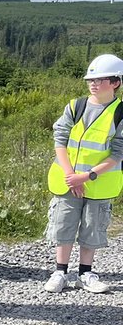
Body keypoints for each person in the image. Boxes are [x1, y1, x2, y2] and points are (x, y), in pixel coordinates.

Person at [41, 53, 123, 293]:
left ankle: (86, 273)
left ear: (115, 82)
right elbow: (60, 140)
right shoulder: (75, 106)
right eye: (91, 79)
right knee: (63, 224)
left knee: (92, 227)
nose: (93, 84)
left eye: (100, 79)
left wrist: (86, 177)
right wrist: (71, 176)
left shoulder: (120, 113)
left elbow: (118, 153)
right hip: (68, 180)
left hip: (98, 183)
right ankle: (60, 272)